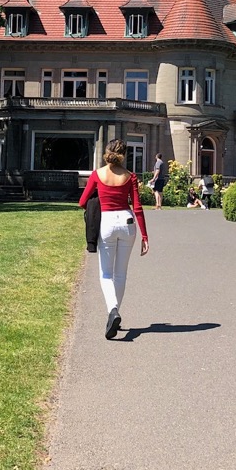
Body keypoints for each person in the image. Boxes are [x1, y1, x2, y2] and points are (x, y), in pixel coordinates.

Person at [80, 139, 150, 338]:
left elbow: (82, 201)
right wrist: (145, 235)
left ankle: (113, 311)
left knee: (105, 274)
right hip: (127, 222)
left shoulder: (97, 174)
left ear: (107, 152)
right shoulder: (130, 176)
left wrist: (96, 199)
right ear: (124, 155)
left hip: (108, 223)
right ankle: (114, 314)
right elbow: (137, 207)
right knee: (120, 274)